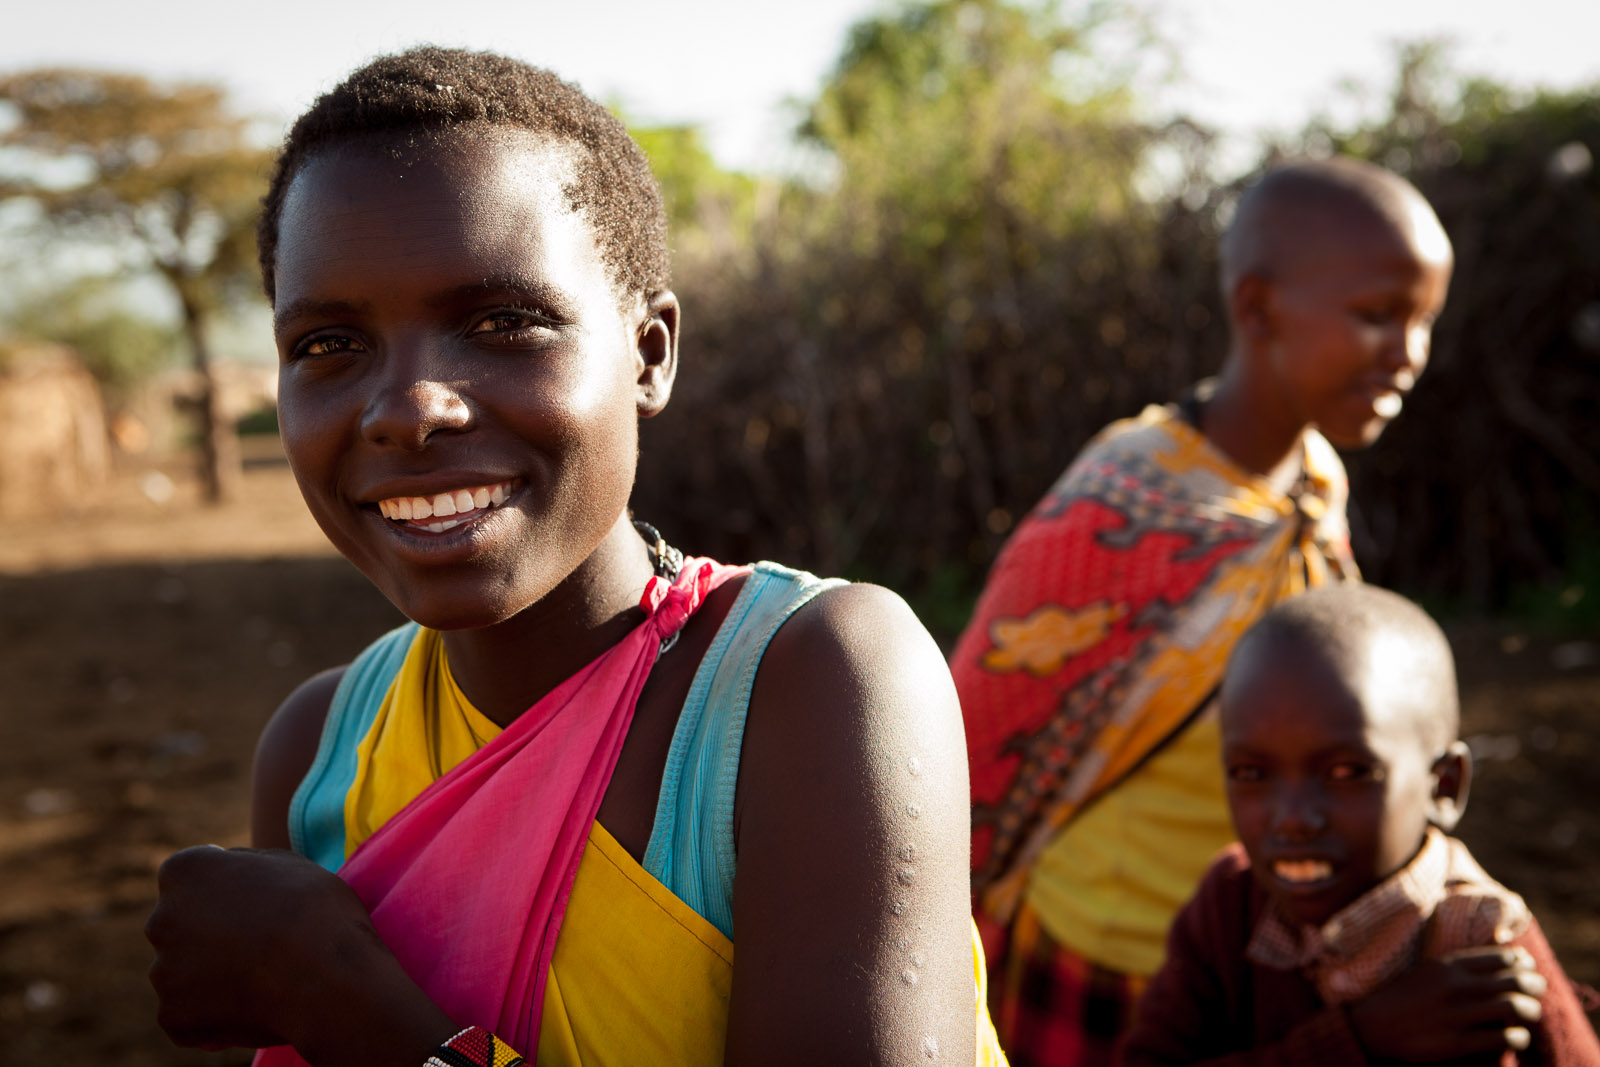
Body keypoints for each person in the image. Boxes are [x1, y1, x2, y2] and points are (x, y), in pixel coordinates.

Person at [144, 47, 1006, 1067]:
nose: (410, 407)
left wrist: (352, 1009)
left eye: (502, 321)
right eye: (329, 344)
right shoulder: (319, 748)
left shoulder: (809, 683)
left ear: (649, 355)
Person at [951, 156, 1455, 1064]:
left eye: (1423, 323)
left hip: (1262, 952)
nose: (1410, 352)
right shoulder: (1125, 503)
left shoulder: (1312, 483)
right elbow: (981, 730)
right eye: (1380, 315)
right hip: (1108, 957)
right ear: (1257, 308)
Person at [1122, 584, 1600, 1065]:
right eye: (1251, 774)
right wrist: (1358, 1041)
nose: (1292, 819)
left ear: (1444, 787)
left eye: (1347, 773)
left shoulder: (1482, 944)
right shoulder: (1230, 904)